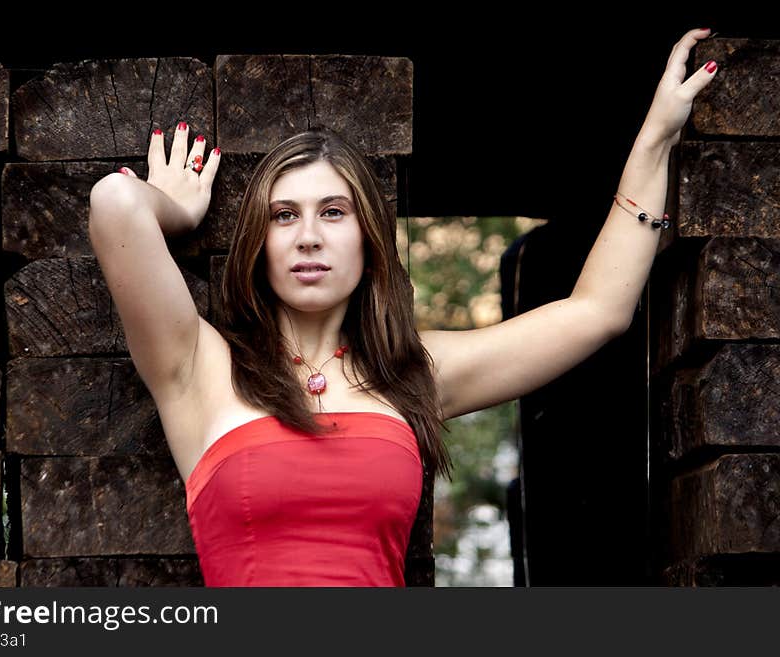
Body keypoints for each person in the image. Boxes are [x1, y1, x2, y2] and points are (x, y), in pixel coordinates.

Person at [86, 27, 718, 586]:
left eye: (334, 213)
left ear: (367, 241)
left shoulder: (412, 372)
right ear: (259, 243)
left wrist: (657, 136)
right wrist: (179, 209)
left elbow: (598, 311)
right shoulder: (198, 368)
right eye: (284, 216)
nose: (309, 235)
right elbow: (115, 204)